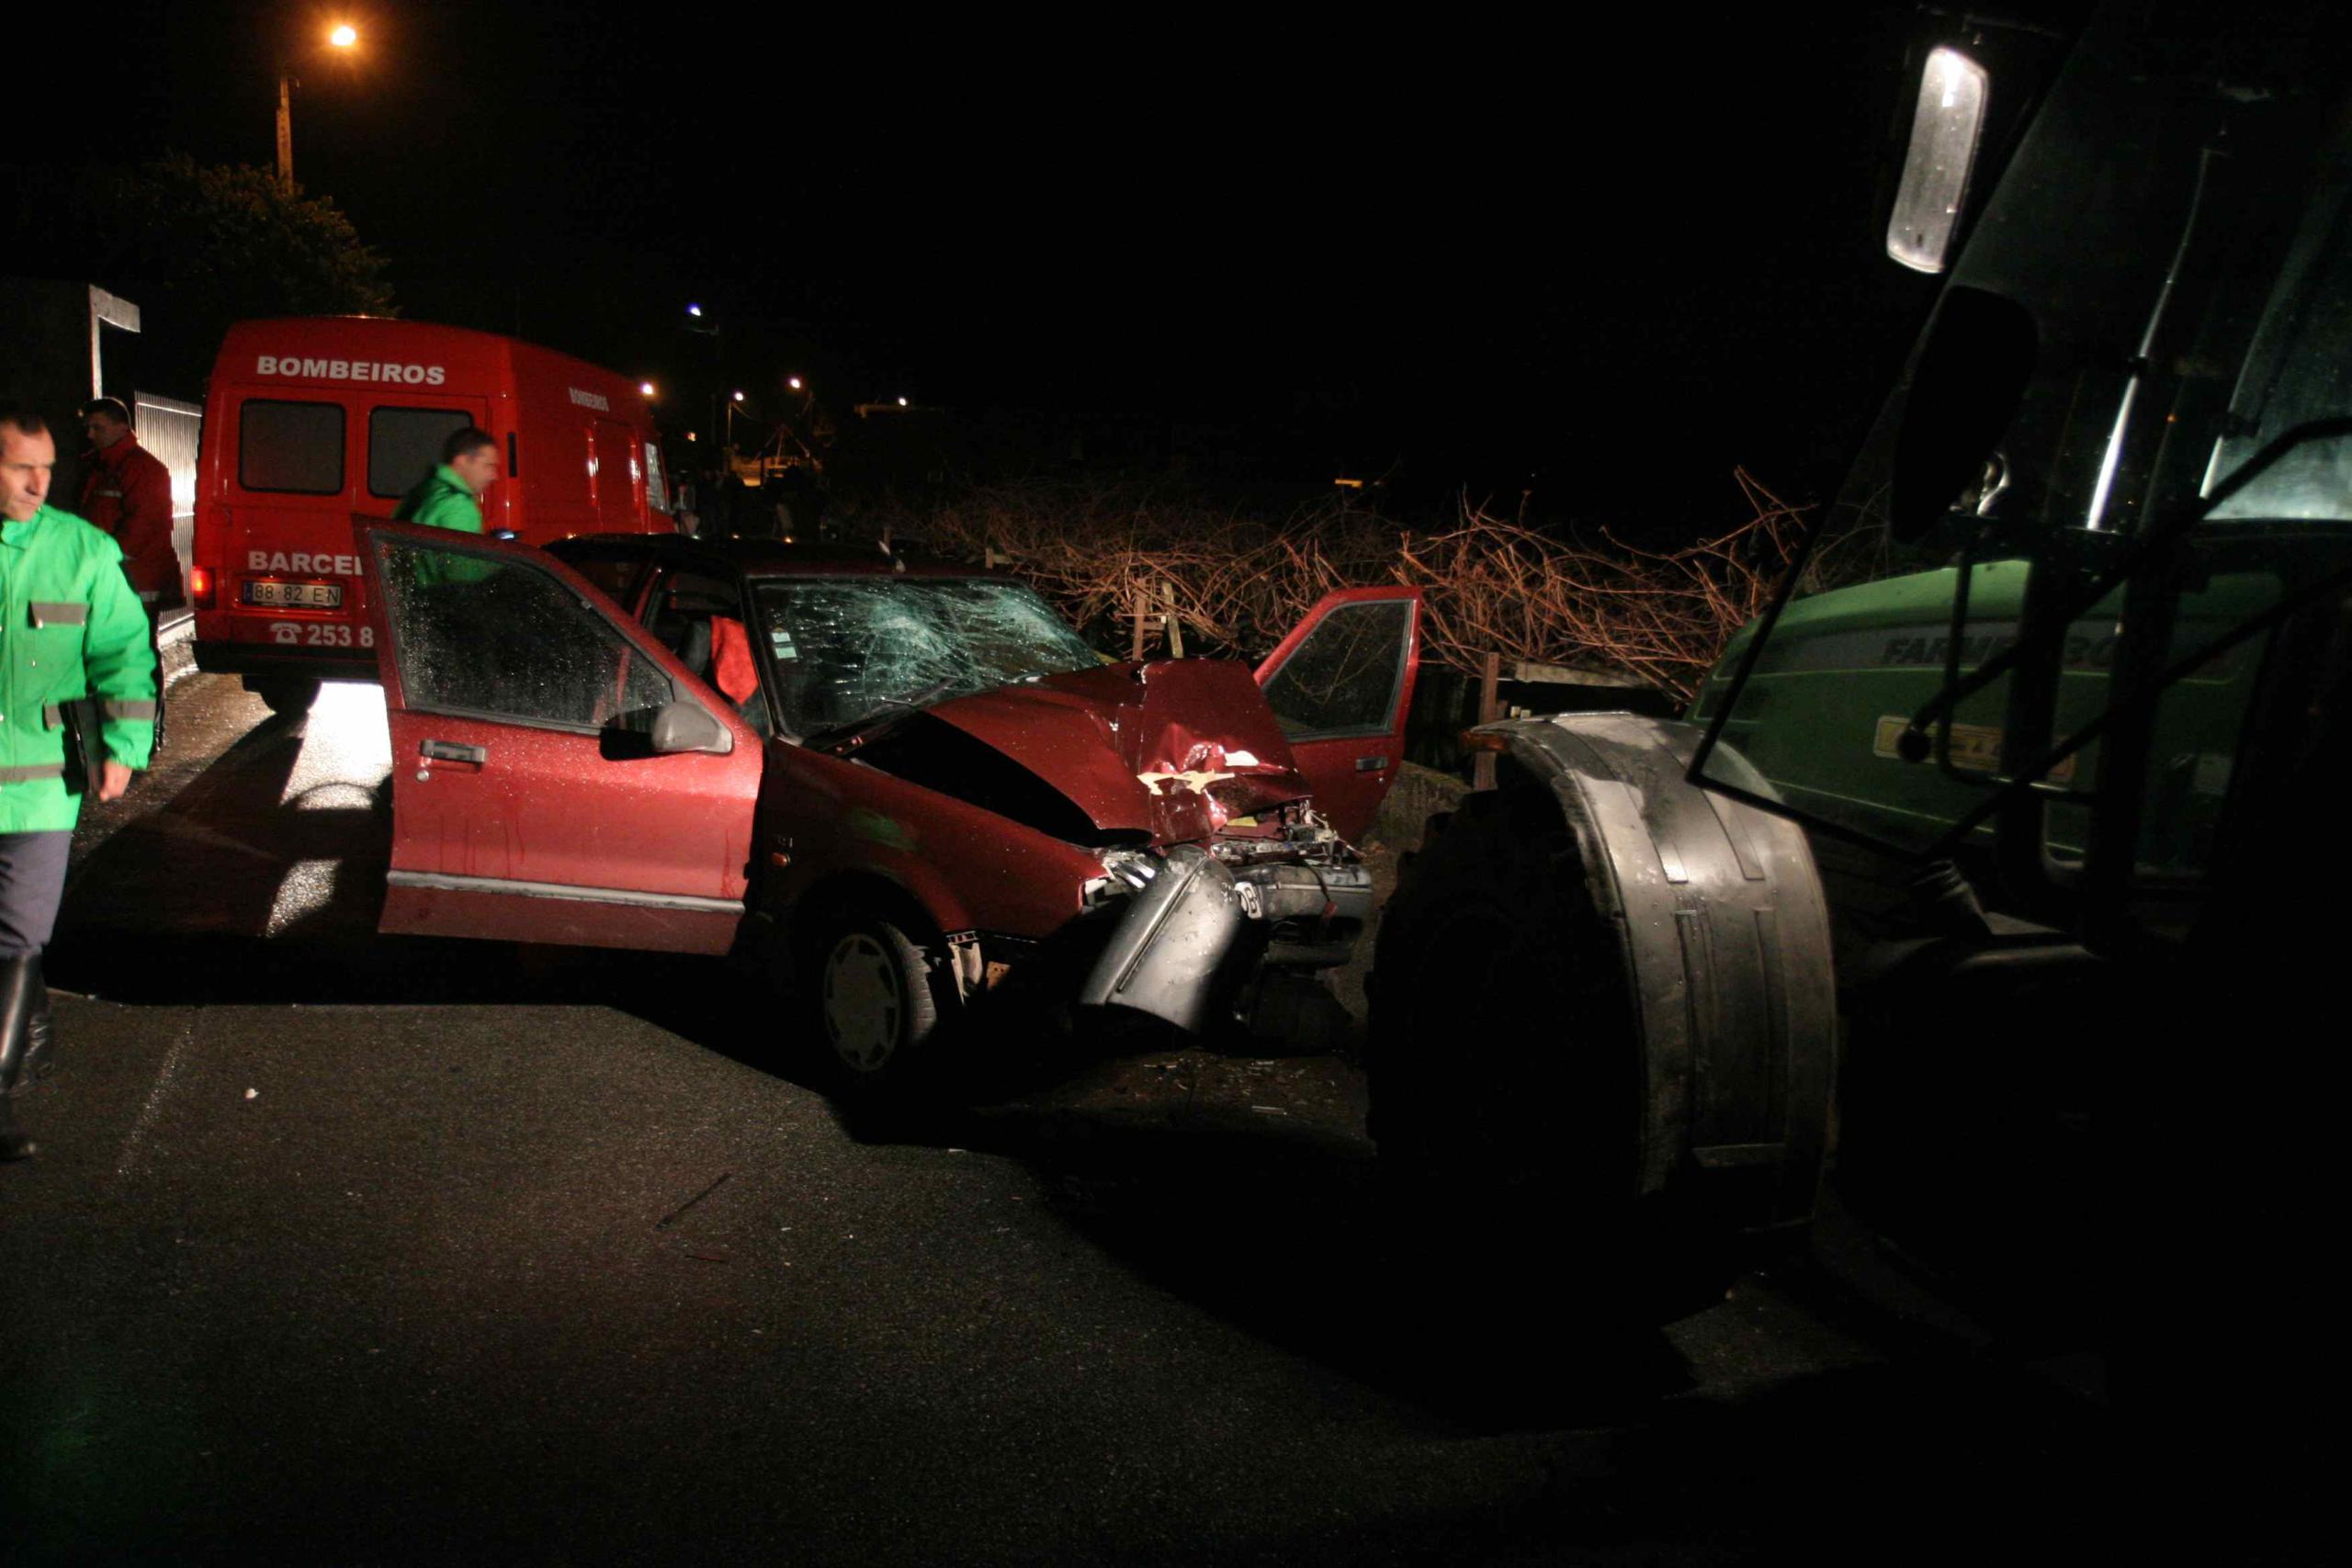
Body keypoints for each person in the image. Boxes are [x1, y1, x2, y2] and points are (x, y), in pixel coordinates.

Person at [0, 407, 157, 1162]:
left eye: (48, 467)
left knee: (17, 939)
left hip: (36, 787)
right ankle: (26, 1032)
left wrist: (124, 744)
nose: (39, 482)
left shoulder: (82, 549)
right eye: (18, 466)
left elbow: (127, 654)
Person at [78, 396, 184, 741]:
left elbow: (142, 527)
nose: (90, 434)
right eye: (88, 427)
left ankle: (144, 730)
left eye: (98, 427)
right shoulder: (103, 466)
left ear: (122, 427)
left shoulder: (141, 469)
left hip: (134, 581)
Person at [392, 425, 499, 534]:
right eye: (488, 465)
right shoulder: (459, 507)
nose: (494, 476)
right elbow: (462, 550)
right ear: (461, 462)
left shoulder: (425, 489)